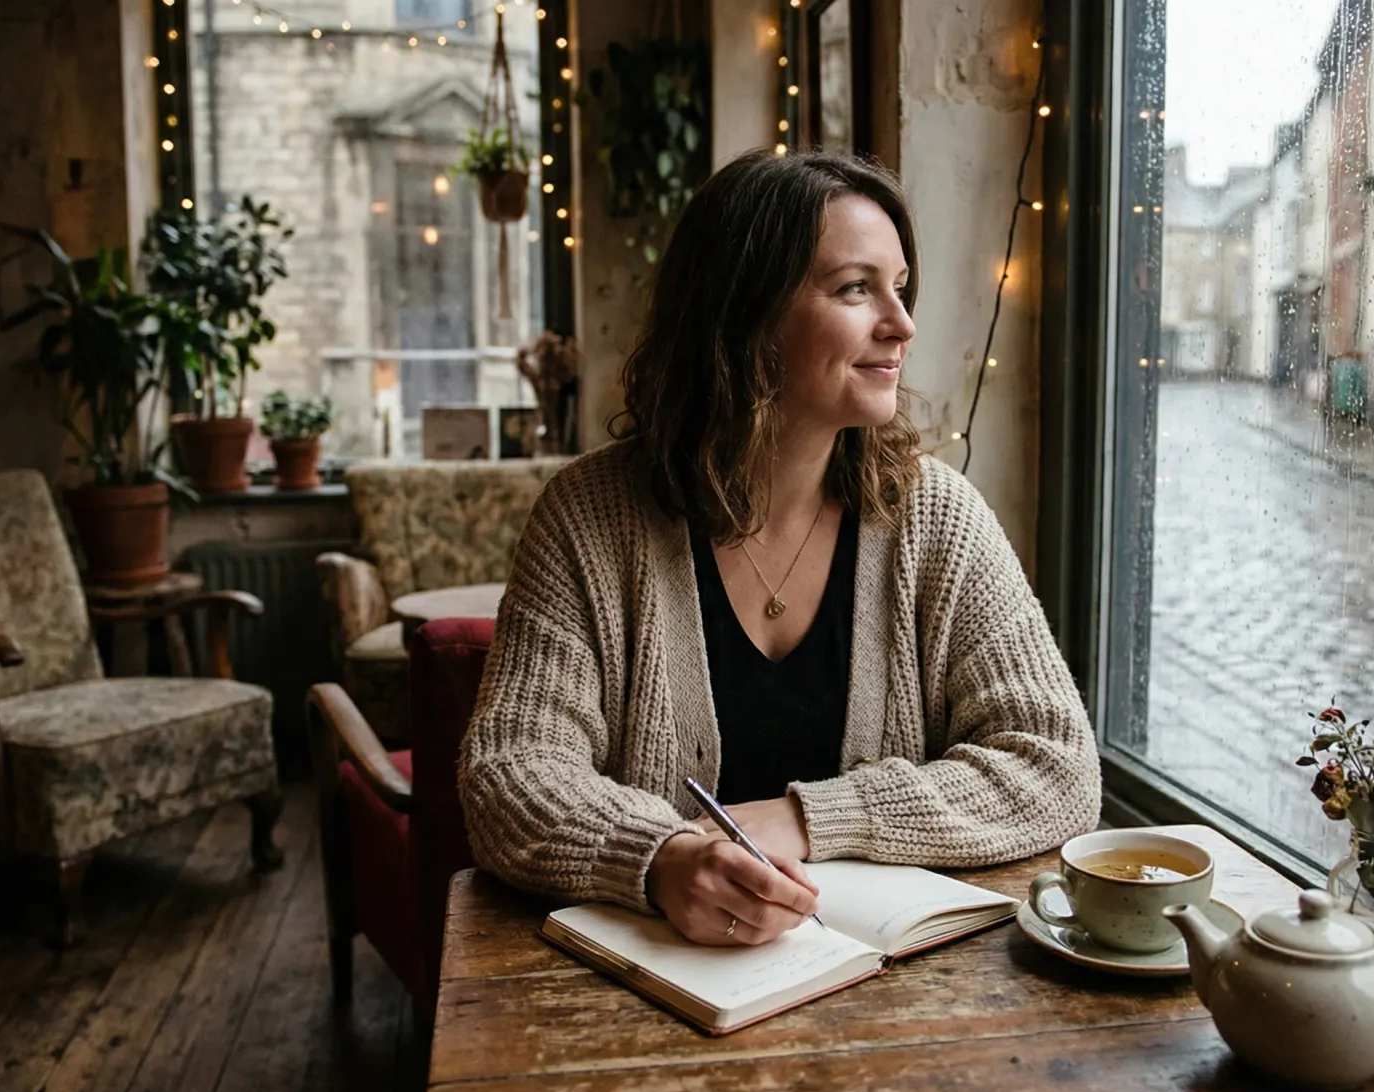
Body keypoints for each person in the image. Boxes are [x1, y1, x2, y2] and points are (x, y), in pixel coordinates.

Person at [459, 148, 1100, 947]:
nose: (901, 325)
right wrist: (661, 858)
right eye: (855, 288)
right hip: (655, 994)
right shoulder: (593, 518)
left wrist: (804, 817)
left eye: (899, 288)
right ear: (745, 313)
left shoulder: (937, 519)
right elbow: (510, 773)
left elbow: (1057, 768)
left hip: (892, 991)